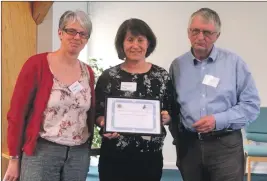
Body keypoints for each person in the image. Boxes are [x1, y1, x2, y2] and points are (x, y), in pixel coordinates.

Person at [169, 7, 261, 181]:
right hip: (189, 147)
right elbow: (173, 106)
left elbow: (251, 106)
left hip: (225, 145)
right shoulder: (177, 66)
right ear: (188, 32)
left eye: (207, 32)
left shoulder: (234, 63)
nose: (200, 37)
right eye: (195, 31)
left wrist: (217, 121)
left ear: (217, 35)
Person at [4, 10, 95, 181]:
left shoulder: (88, 72)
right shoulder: (36, 65)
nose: (77, 37)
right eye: (71, 31)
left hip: (78, 155)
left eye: (82, 34)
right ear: (60, 33)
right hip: (42, 152)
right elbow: (16, 114)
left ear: (86, 39)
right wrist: (14, 159)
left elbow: (88, 114)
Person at [95, 18, 175, 181]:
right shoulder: (109, 77)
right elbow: (96, 112)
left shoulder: (161, 76)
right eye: (130, 40)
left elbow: (173, 109)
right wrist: (103, 122)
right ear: (122, 44)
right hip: (114, 156)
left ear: (148, 43)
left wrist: (167, 117)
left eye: (140, 40)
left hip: (149, 157)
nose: (135, 45)